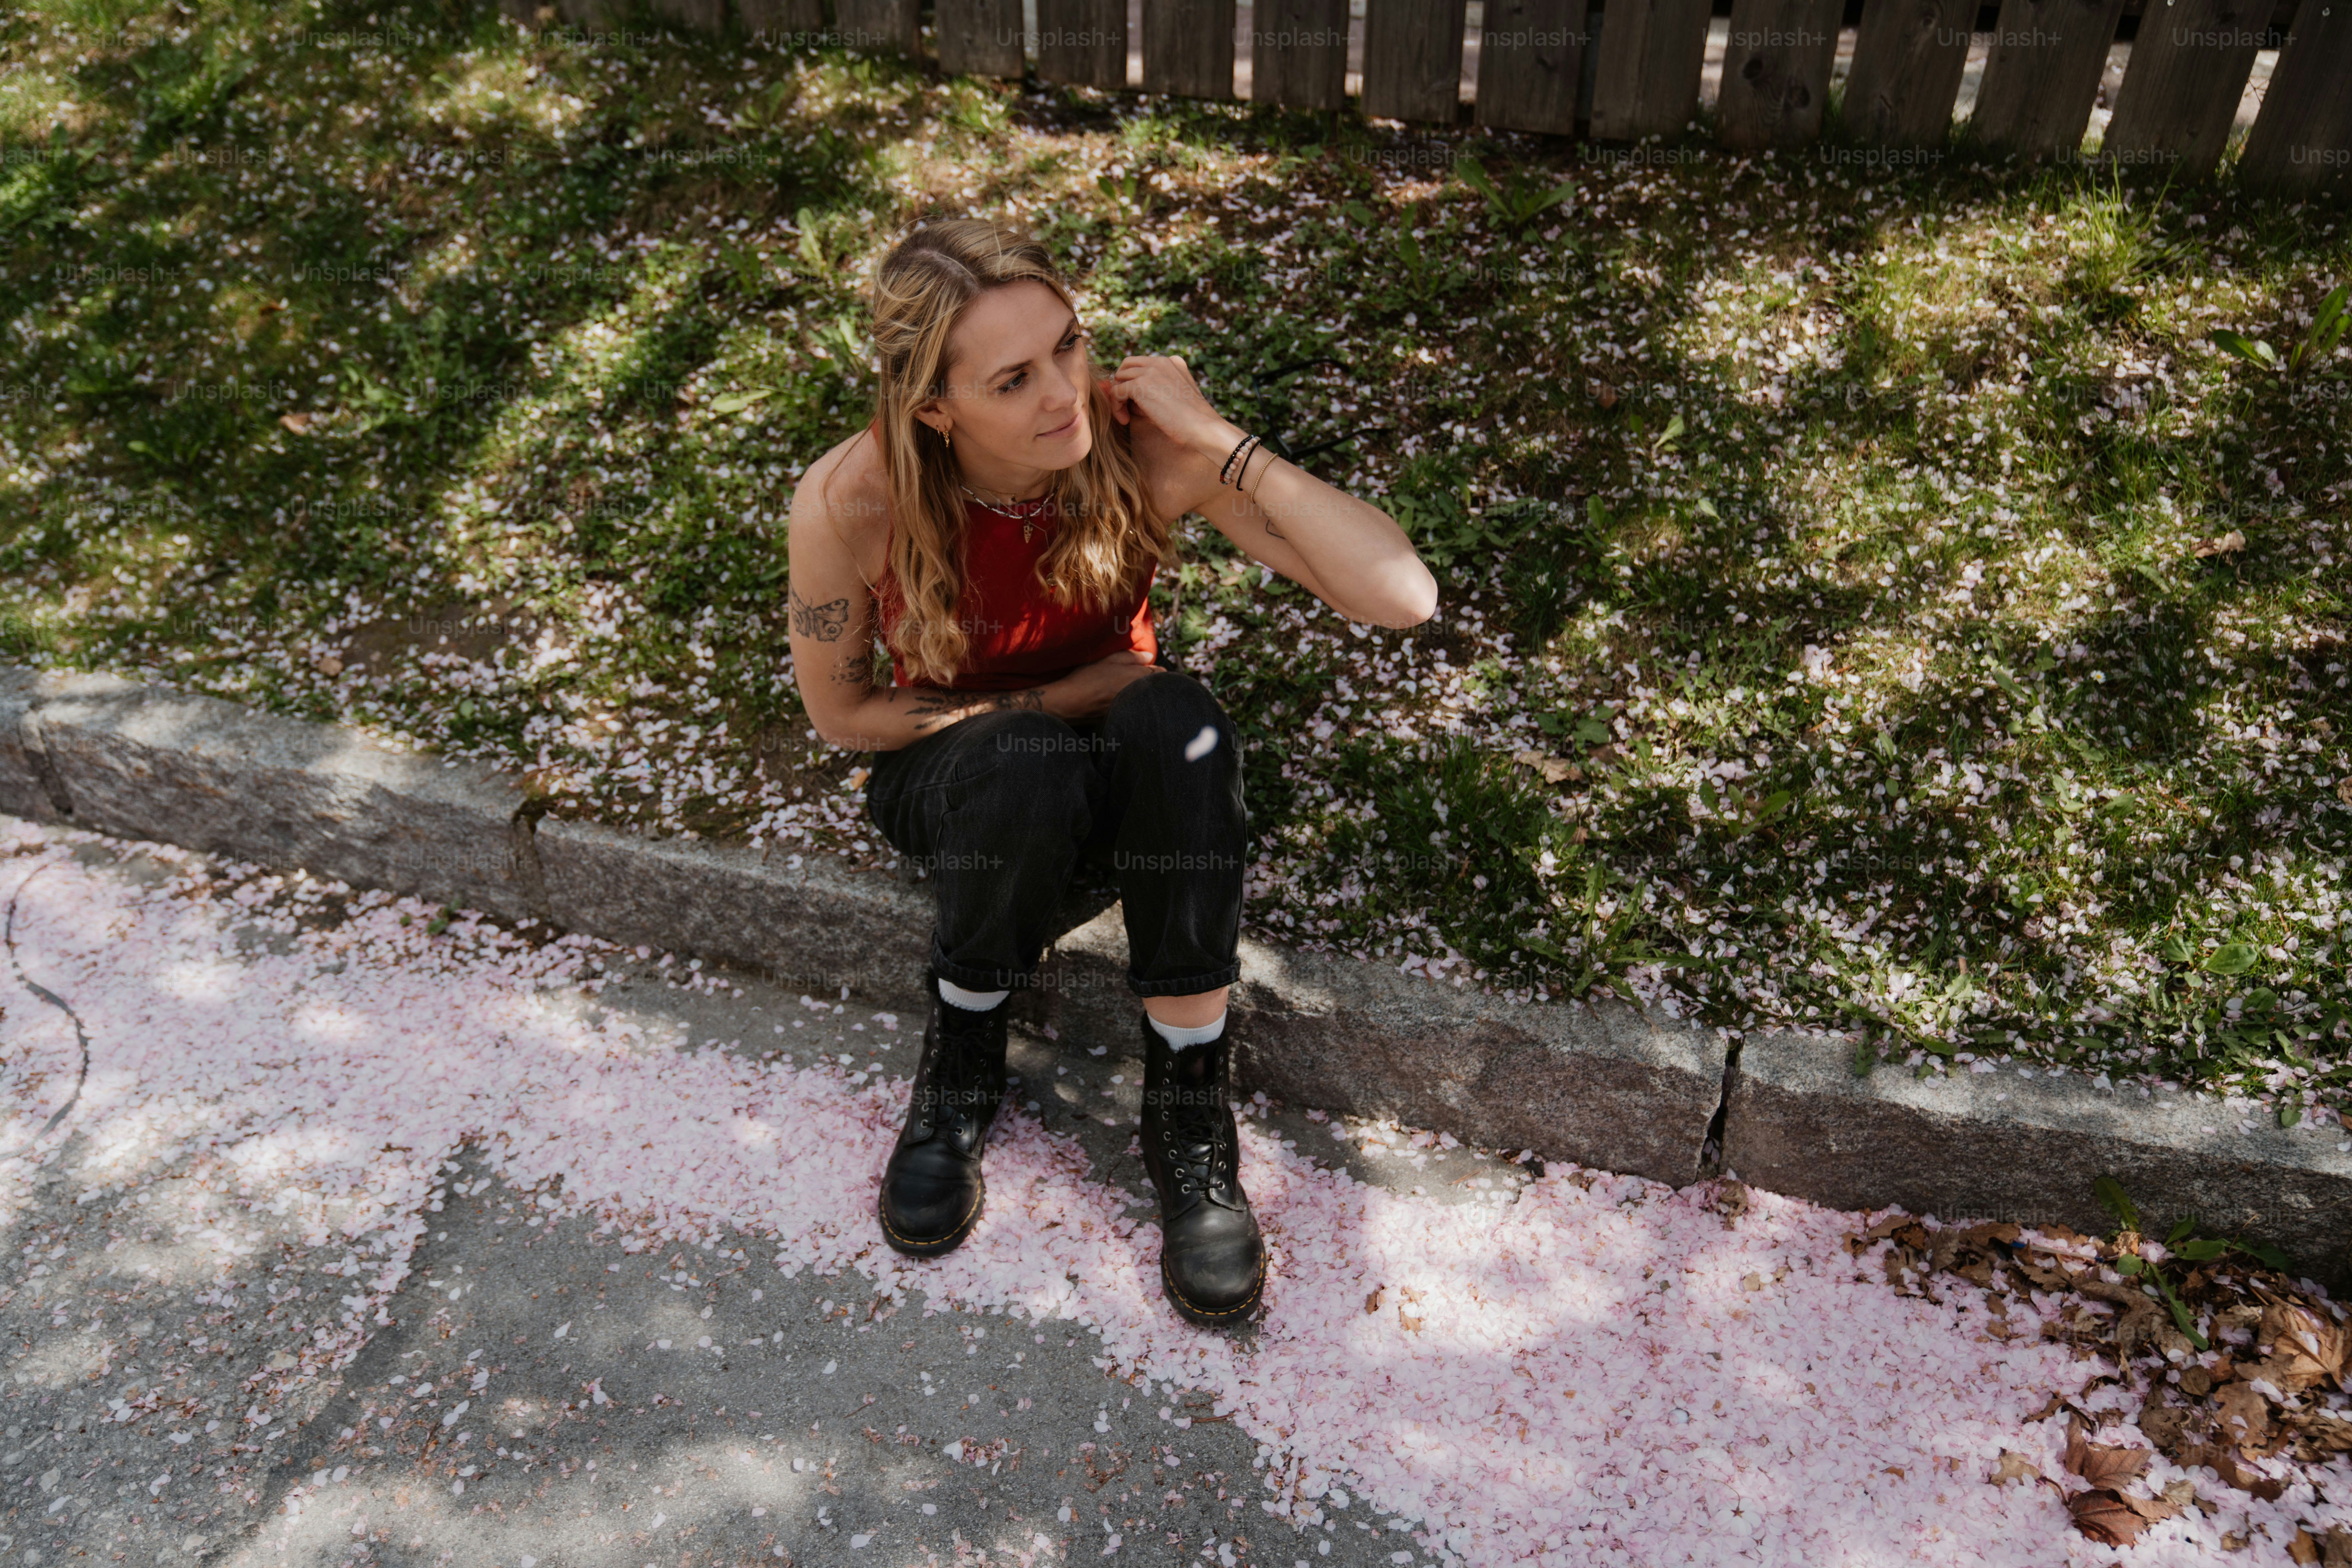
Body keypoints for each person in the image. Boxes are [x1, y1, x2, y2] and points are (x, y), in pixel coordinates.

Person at [785, 217, 1436, 1328]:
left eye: (1070, 347)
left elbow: (1402, 598)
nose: (1062, 394)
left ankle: (1187, 1105)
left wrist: (1218, 438)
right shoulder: (858, 500)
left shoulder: (1133, 449)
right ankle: (963, 1052)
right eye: (1015, 378)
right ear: (935, 410)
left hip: (1126, 768)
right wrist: (1057, 702)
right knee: (1026, 753)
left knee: (1180, 722)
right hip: (963, 779)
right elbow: (846, 713)